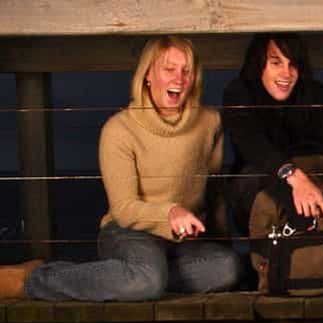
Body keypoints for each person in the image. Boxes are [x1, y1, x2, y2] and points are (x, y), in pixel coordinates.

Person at [0, 36, 240, 301]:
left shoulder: (210, 122)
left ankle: (138, 278)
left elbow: (215, 191)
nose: (179, 79)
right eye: (169, 69)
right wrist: (170, 212)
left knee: (228, 268)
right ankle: (33, 279)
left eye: (187, 71)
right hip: (129, 231)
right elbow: (124, 208)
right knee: (147, 279)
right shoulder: (119, 129)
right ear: (148, 74)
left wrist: (222, 241)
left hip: (181, 241)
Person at [223, 33, 323, 238]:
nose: (286, 73)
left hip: (313, 182)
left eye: (293, 64)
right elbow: (252, 144)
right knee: (248, 178)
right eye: (276, 63)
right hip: (261, 186)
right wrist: (294, 180)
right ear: (259, 64)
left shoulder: (316, 93)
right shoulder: (239, 92)